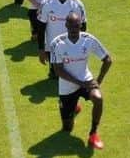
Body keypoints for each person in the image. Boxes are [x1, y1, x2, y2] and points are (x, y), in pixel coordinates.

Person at [48, 12, 112, 149]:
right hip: (67, 87)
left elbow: (108, 59)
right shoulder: (57, 44)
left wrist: (98, 81)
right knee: (67, 128)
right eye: (70, 26)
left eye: (76, 26)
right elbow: (58, 71)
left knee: (98, 98)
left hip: (85, 80)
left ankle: (93, 134)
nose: (73, 29)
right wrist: (81, 83)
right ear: (65, 25)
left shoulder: (88, 40)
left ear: (81, 26)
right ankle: (73, 106)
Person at [37, 0, 88, 66]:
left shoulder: (77, 5)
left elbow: (83, 27)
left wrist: (80, 45)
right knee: (55, 74)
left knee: (71, 72)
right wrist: (41, 49)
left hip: (71, 45)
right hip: (52, 46)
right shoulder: (46, 4)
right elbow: (40, 28)